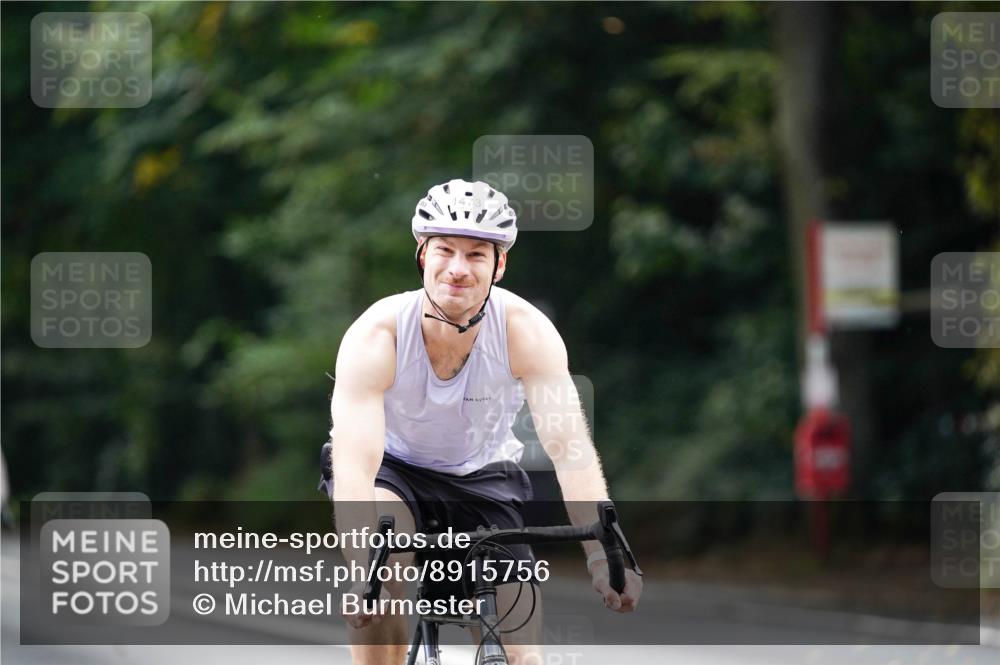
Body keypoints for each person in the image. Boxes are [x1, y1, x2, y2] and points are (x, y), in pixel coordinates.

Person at [319, 179, 642, 665]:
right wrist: (365, 564)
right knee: (386, 569)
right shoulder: (377, 333)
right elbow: (355, 466)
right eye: (445, 250)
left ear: (500, 264)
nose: (457, 269)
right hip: (394, 469)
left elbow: (567, 445)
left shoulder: (526, 331)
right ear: (422, 254)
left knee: (521, 656)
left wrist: (603, 554)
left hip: (484, 478)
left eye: (476, 255)